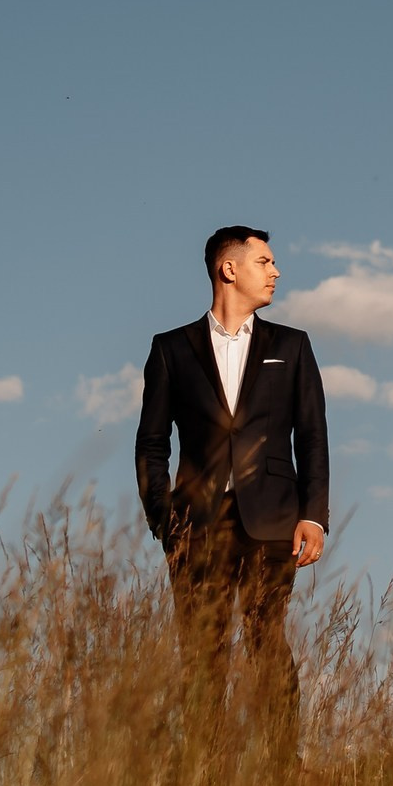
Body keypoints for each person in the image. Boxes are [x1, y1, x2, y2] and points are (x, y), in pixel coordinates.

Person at [135, 225, 331, 757]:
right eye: (264, 261)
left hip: (271, 523)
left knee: (268, 644)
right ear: (229, 269)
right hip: (195, 528)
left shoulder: (291, 346)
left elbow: (312, 435)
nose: (276, 271)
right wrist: (164, 519)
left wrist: (313, 516)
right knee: (203, 656)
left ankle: (280, 775)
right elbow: (152, 443)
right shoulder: (171, 350)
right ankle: (208, 782)